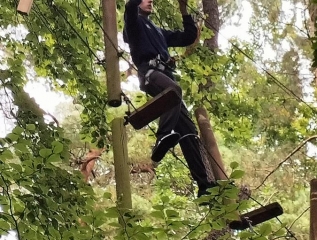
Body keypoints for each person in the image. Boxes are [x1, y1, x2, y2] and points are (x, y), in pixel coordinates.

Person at [123, 0, 216, 197]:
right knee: (173, 91)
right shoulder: (134, 24)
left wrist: (184, 9)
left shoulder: (158, 32)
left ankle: (205, 186)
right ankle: (162, 137)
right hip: (150, 74)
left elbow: (188, 37)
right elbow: (130, 8)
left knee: (189, 131)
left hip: (166, 78)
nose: (150, 2)